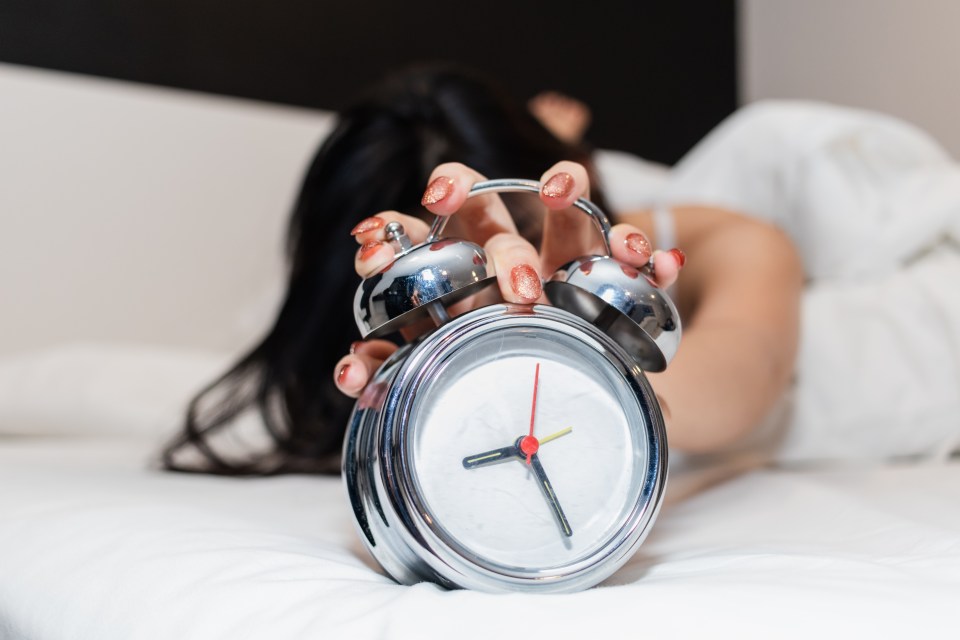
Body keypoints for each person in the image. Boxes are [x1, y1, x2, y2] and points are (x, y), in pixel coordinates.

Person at [162, 65, 802, 475]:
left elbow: (749, 365)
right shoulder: (362, 339)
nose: (497, 301)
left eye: (516, 233)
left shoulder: (732, 239)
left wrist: (576, 364)